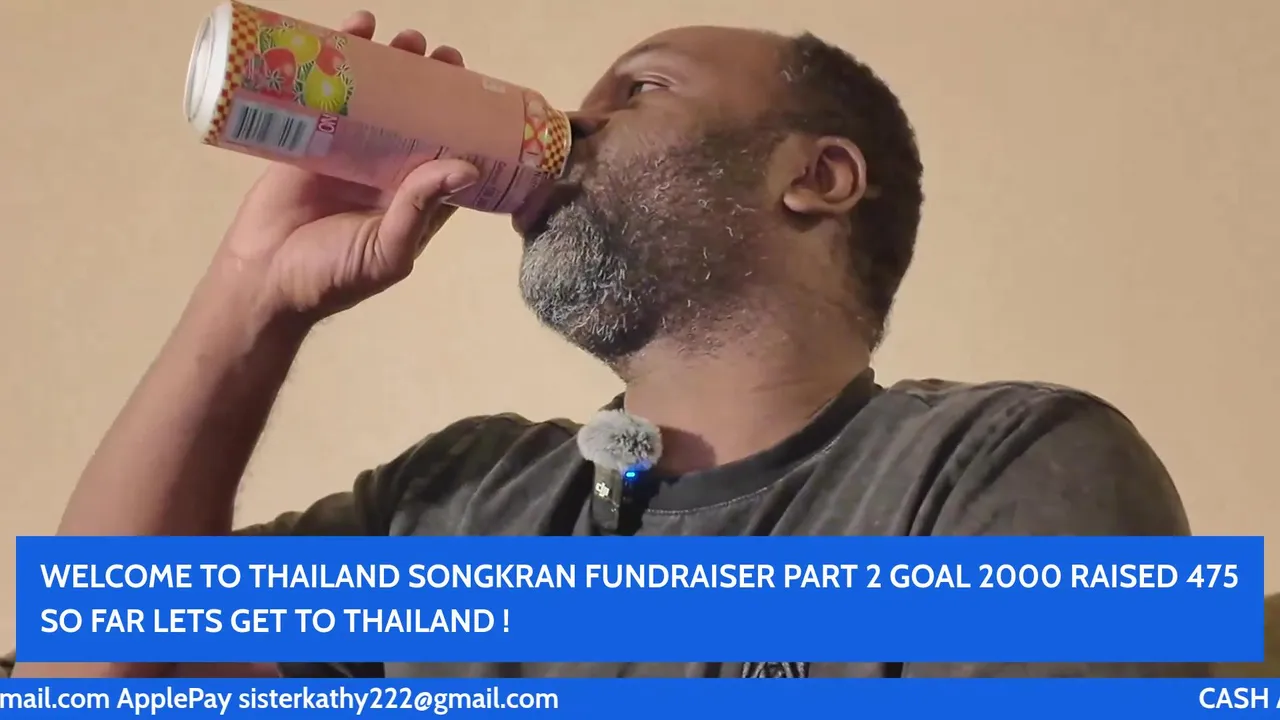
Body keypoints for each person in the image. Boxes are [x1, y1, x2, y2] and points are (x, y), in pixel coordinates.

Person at [8, 10, 1204, 681]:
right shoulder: (456, 500)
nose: (572, 123)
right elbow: (90, 669)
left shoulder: (997, 466)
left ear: (817, 177)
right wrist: (251, 296)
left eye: (639, 90)